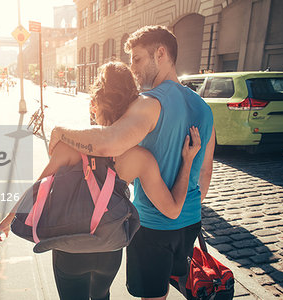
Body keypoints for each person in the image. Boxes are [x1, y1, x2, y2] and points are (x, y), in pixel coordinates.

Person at [0, 62, 203, 300]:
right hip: (109, 250)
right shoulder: (140, 157)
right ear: (130, 107)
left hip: (69, 246)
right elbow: (173, 210)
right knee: (102, 296)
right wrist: (187, 161)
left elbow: (37, 190)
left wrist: (7, 221)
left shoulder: (68, 145)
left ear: (94, 105)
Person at [48, 26, 215, 300]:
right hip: (190, 221)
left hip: (152, 225)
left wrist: (61, 132)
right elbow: (206, 170)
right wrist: (188, 208)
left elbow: (108, 141)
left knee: (152, 295)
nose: (133, 68)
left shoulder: (149, 103)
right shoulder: (204, 107)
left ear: (160, 54)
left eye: (137, 59)